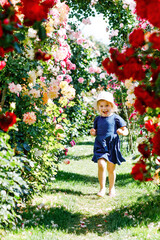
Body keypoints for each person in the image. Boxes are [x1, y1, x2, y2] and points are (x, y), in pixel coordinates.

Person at [90, 91, 128, 197]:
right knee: (101, 164)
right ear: (98, 107)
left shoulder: (115, 118)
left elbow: (125, 130)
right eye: (101, 106)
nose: (104, 108)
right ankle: (102, 189)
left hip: (112, 145)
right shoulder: (97, 119)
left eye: (107, 105)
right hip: (100, 144)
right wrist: (93, 132)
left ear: (111, 106)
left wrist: (122, 132)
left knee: (111, 168)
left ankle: (111, 188)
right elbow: (95, 131)